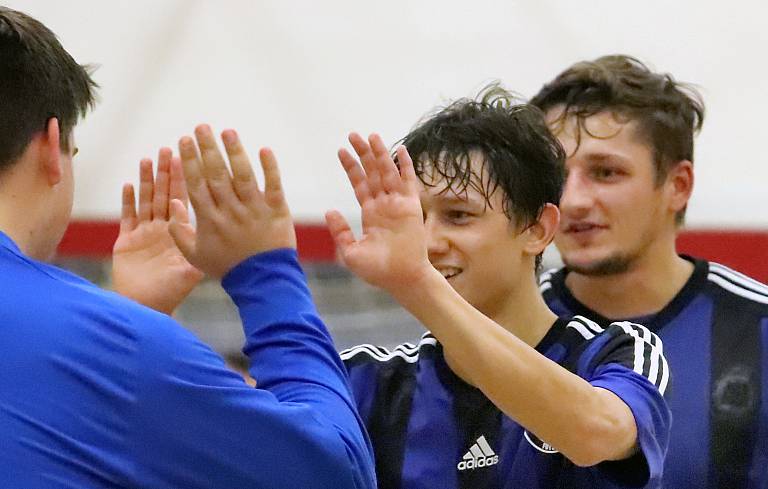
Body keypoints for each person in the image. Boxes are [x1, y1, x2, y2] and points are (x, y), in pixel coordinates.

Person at [0, 7, 375, 488]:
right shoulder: (113, 349)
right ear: (52, 147)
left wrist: (130, 315)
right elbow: (336, 472)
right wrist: (267, 274)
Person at [327, 87, 671, 488]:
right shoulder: (361, 379)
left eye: (458, 215)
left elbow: (595, 434)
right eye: (414, 218)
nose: (428, 241)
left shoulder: (616, 352)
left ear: (537, 229)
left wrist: (418, 283)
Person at [530, 54, 768, 488]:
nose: (574, 200)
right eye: (555, 175)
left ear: (678, 185)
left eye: (605, 172)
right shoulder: (495, 335)